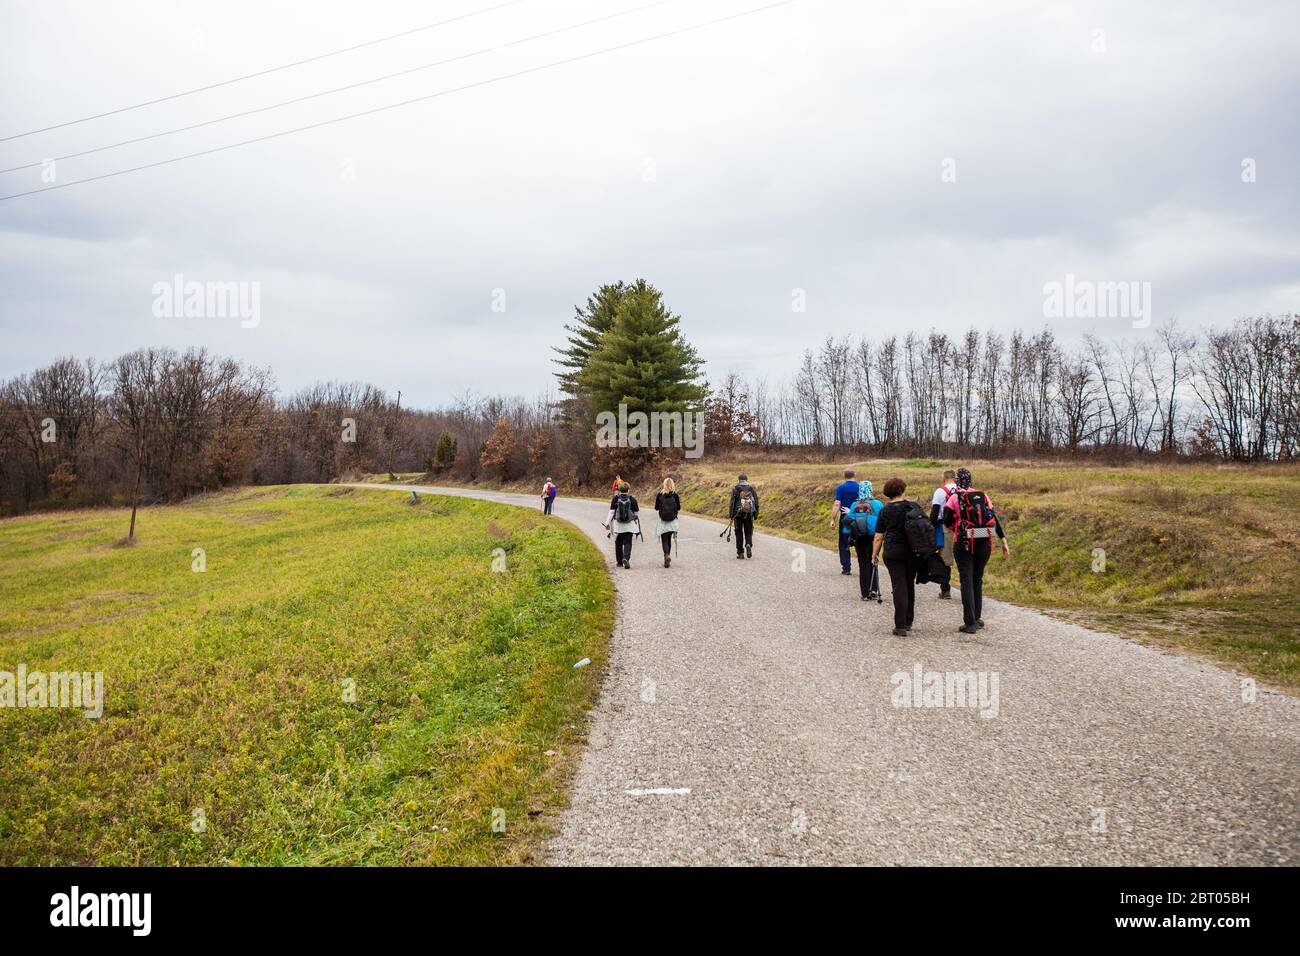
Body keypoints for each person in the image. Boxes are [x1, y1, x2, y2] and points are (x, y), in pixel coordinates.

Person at [943, 467, 1011, 634]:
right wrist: (1003, 541)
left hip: (964, 541)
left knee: (966, 580)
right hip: (984, 541)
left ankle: (969, 622)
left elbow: (946, 520)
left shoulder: (954, 498)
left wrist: (957, 527)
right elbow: (993, 518)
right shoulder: (983, 496)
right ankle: (978, 618)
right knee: (977, 579)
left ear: (958, 481)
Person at [871, 477, 923, 636]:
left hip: (893, 550)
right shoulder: (913, 507)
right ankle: (908, 621)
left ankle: (899, 625)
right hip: (913, 550)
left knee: (898, 586)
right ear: (902, 490)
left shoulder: (885, 510)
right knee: (909, 584)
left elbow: (879, 536)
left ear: (888, 493)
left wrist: (874, 554)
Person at [844, 480, 883, 601]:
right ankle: (874, 590)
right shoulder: (877, 504)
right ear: (871, 490)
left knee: (863, 564)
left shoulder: (854, 505)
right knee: (873, 560)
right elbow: (883, 520)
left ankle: (865, 593)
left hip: (859, 537)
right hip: (874, 537)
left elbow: (848, 521)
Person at [930, 469, 958, 598]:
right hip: (962, 528)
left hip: (946, 528)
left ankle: (945, 590)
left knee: (945, 560)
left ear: (944, 479)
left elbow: (934, 513)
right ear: (955, 479)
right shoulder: (962, 491)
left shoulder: (940, 492)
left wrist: (930, 529)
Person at [604, 480, 641, 569]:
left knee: (618, 543)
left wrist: (607, 523)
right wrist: (634, 518)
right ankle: (626, 558)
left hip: (618, 525)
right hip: (629, 525)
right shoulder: (632, 499)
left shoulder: (616, 499)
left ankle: (619, 562)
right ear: (628, 490)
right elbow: (636, 513)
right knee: (628, 542)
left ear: (619, 490)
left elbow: (612, 512)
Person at [832, 469, 861, 575]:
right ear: (855, 475)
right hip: (860, 518)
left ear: (844, 476)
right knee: (859, 541)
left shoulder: (840, 488)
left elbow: (837, 504)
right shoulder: (860, 487)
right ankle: (863, 566)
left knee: (844, 542)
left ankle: (846, 567)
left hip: (845, 518)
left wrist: (833, 519)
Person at [728, 473, 759, 559]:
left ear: (739, 480)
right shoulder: (751, 488)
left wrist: (731, 515)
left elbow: (732, 503)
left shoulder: (735, 488)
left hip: (738, 514)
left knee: (738, 533)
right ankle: (748, 544)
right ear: (746, 479)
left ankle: (740, 553)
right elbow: (756, 501)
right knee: (748, 531)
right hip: (749, 514)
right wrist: (756, 514)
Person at [654, 477, 681, 568]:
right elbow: (679, 508)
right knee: (669, 539)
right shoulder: (675, 495)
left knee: (664, 539)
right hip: (672, 520)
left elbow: (656, 508)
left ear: (664, 484)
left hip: (663, 520)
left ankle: (666, 554)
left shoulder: (660, 495)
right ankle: (668, 555)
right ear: (672, 484)